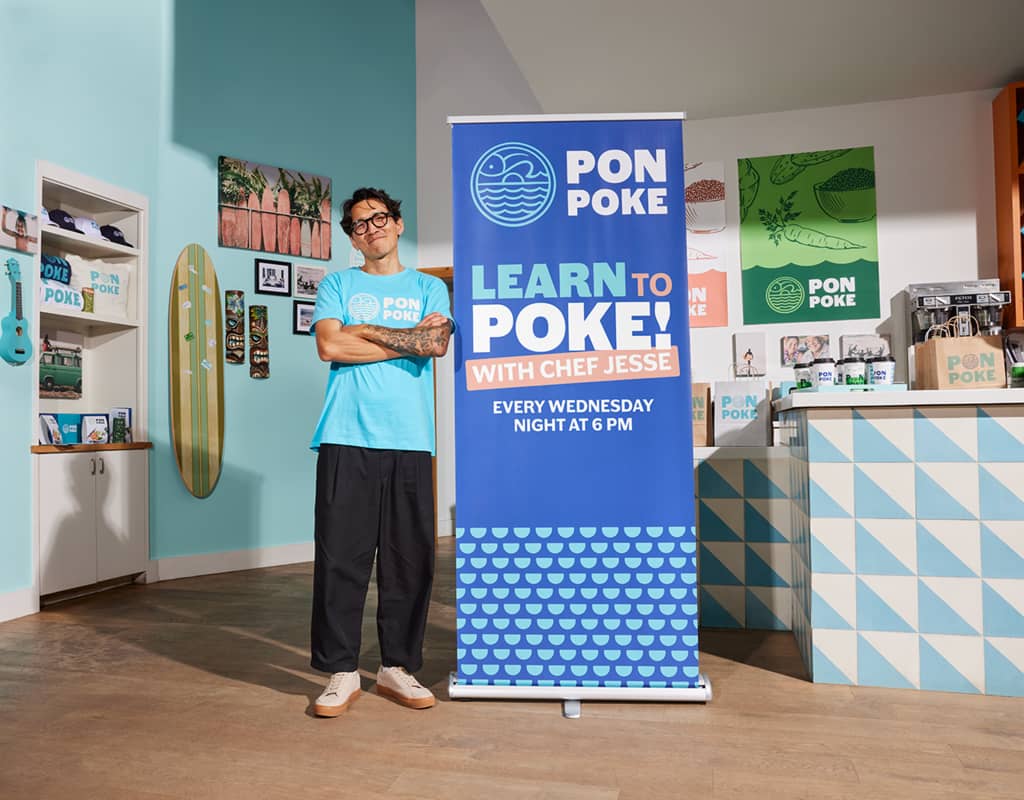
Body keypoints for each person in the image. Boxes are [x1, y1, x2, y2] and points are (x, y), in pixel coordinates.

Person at [308, 187, 453, 717]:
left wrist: (363, 330)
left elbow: (435, 345)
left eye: (379, 218)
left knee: (408, 562)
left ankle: (397, 667)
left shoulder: (429, 288)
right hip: (346, 435)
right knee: (340, 559)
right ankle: (341, 671)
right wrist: (402, 337)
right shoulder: (337, 283)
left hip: (411, 439)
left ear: (397, 223)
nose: (370, 229)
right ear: (351, 237)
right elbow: (330, 345)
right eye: (359, 225)